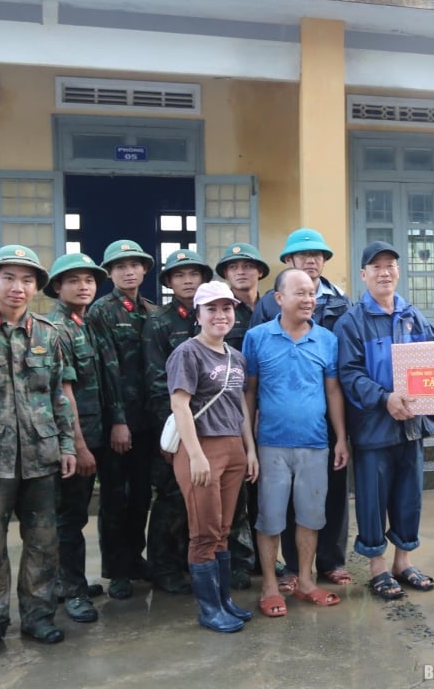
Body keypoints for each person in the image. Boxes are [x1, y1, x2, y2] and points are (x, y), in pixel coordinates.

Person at [0, 245, 76, 660]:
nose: (18, 288)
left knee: (43, 541)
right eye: (9, 278)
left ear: (37, 286)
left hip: (40, 456)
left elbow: (58, 395)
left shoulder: (50, 333)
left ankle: (39, 617)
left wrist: (66, 444)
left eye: (26, 280)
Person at [335, 241, 434, 601]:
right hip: (373, 428)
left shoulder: (413, 315)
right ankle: (378, 567)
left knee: (408, 497)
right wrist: (384, 398)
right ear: (364, 275)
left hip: (411, 426)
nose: (384, 272)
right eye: (376, 266)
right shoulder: (352, 321)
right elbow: (348, 373)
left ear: (399, 272)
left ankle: (403, 562)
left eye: (390, 266)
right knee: (372, 498)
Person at [252, 228, 353, 590]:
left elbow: (337, 381)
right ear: (289, 261)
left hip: (319, 426)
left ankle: (329, 562)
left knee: (327, 499)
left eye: (318, 256)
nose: (312, 261)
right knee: (278, 507)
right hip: (275, 431)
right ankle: (291, 570)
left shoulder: (341, 302)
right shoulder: (265, 312)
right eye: (304, 255)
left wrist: (341, 434)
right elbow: (252, 380)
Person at [167, 281, 258, 633]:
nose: (221, 315)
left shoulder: (237, 357)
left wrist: (249, 450)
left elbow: (240, 407)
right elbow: (180, 405)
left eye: (226, 308)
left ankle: (223, 601)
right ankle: (208, 609)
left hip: (233, 446)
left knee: (223, 529)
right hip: (201, 448)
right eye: (212, 309)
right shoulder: (187, 353)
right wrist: (196, 455)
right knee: (203, 532)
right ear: (198, 314)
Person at [44, 253, 114, 623]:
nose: (84, 286)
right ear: (57, 287)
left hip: (95, 432)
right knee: (69, 517)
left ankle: (65, 580)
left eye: (89, 279)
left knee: (72, 514)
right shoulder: (56, 328)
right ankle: (70, 589)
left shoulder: (86, 323)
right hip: (74, 439)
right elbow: (64, 392)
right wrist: (79, 446)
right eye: (74, 280)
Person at [86, 239, 157, 601]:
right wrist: (117, 420)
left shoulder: (152, 311)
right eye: (120, 267)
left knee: (142, 495)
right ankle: (117, 570)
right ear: (109, 274)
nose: (129, 271)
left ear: (145, 269)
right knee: (116, 497)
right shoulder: (101, 312)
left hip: (148, 423)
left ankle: (134, 556)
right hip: (119, 421)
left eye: (135, 265)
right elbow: (107, 370)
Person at [143, 249, 213, 594]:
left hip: (214, 428)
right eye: (180, 275)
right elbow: (157, 383)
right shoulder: (159, 322)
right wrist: (175, 431)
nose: (188, 280)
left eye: (194, 274)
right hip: (174, 427)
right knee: (171, 497)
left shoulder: (213, 316)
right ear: (169, 282)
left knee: (207, 497)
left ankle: (198, 562)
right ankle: (164, 567)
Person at [214, 242, 268, 589]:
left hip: (273, 412)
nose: (241, 272)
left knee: (267, 495)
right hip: (232, 414)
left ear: (259, 271)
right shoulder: (219, 312)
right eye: (233, 267)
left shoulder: (273, 306)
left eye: (247, 265)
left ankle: (263, 558)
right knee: (236, 496)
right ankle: (237, 561)